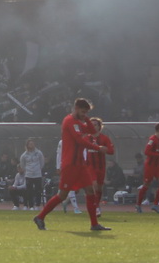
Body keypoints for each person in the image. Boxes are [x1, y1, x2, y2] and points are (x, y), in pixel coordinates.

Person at [33, 98, 109, 231]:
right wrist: (98, 148)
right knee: (62, 195)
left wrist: (86, 118)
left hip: (80, 164)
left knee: (90, 191)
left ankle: (94, 224)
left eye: (86, 112)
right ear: (76, 108)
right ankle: (40, 217)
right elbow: (80, 141)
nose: (84, 114)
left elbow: (92, 131)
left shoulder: (79, 122)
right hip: (71, 165)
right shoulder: (69, 121)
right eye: (83, 111)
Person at [135, 122, 159, 214]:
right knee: (146, 185)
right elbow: (147, 152)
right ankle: (138, 204)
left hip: (158, 165)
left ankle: (155, 204)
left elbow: (157, 154)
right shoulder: (152, 139)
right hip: (150, 166)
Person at [86, 117, 115, 217]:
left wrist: (104, 149)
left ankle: (96, 205)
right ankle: (95, 207)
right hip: (90, 167)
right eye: (91, 125)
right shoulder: (86, 138)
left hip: (101, 167)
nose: (93, 127)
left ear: (99, 127)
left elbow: (111, 151)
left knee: (99, 188)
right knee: (94, 185)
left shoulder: (104, 138)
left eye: (95, 125)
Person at [55, 139, 81, 214]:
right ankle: (76, 208)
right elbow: (59, 154)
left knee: (69, 188)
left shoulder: (78, 140)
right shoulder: (62, 142)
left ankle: (64, 202)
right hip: (65, 167)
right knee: (70, 187)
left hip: (76, 166)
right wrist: (58, 167)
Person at [19, 138, 45, 210]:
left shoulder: (39, 153)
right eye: (30, 144)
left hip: (37, 174)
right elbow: (22, 165)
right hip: (29, 174)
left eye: (33, 143)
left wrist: (38, 169)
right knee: (29, 191)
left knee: (38, 190)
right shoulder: (24, 155)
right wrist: (27, 170)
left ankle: (37, 205)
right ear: (27, 145)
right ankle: (31, 206)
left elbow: (42, 162)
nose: (32, 145)